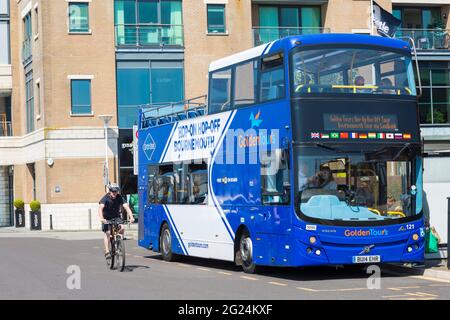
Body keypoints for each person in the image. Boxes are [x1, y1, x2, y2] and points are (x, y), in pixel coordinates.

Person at [98, 183, 135, 259]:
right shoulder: (105, 198)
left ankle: (119, 242)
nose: (114, 193)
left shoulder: (119, 197)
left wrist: (131, 217)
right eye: (112, 191)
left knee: (122, 228)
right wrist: (102, 218)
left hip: (116, 217)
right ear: (110, 191)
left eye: (116, 191)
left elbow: (126, 207)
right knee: (108, 233)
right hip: (106, 218)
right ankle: (107, 251)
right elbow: (100, 209)